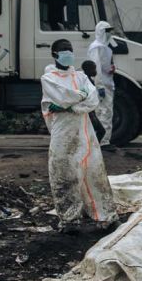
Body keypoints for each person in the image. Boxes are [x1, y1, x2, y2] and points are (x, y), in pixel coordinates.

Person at [40, 39, 116, 231]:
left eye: (70, 49)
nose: (68, 53)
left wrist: (72, 105)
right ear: (54, 54)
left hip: (85, 131)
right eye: (64, 50)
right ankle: (69, 220)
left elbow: (92, 100)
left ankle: (105, 216)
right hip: (63, 133)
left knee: (94, 173)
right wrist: (78, 99)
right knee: (64, 174)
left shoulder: (81, 76)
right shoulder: (49, 78)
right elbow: (62, 96)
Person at [86, 21, 116, 147]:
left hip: (107, 84)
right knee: (102, 113)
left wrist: (111, 68)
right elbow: (95, 68)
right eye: (107, 31)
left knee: (107, 113)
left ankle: (104, 141)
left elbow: (103, 66)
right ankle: (103, 142)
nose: (109, 33)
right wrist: (99, 86)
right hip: (102, 85)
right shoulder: (96, 47)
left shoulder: (105, 47)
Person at [80, 60, 107, 143]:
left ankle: (90, 148)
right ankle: (91, 148)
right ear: (88, 70)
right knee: (101, 131)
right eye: (93, 69)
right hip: (89, 113)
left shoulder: (86, 79)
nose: (95, 71)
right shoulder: (86, 81)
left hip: (90, 112)